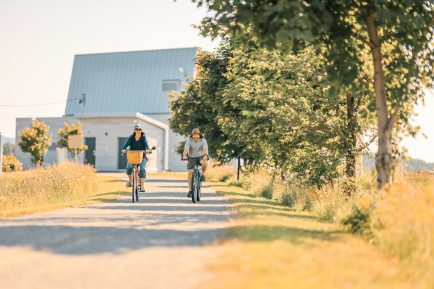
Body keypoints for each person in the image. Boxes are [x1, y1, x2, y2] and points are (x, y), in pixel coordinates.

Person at [121, 124, 149, 191]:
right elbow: (126, 144)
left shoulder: (143, 137)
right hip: (133, 157)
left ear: (141, 130)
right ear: (134, 130)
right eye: (137, 129)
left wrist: (148, 149)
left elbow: (146, 145)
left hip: (142, 157)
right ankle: (130, 181)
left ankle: (142, 186)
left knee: (142, 168)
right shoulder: (131, 137)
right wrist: (124, 149)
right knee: (128, 167)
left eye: (140, 129)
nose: (138, 130)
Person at [182, 128, 209, 197]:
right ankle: (190, 191)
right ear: (192, 135)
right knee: (190, 173)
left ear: (199, 135)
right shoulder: (189, 140)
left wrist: (206, 155)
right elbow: (186, 149)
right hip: (191, 158)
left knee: (205, 161)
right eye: (194, 135)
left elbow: (205, 150)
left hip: (200, 157)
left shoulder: (203, 140)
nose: (195, 136)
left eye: (197, 135)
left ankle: (202, 174)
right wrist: (184, 155)